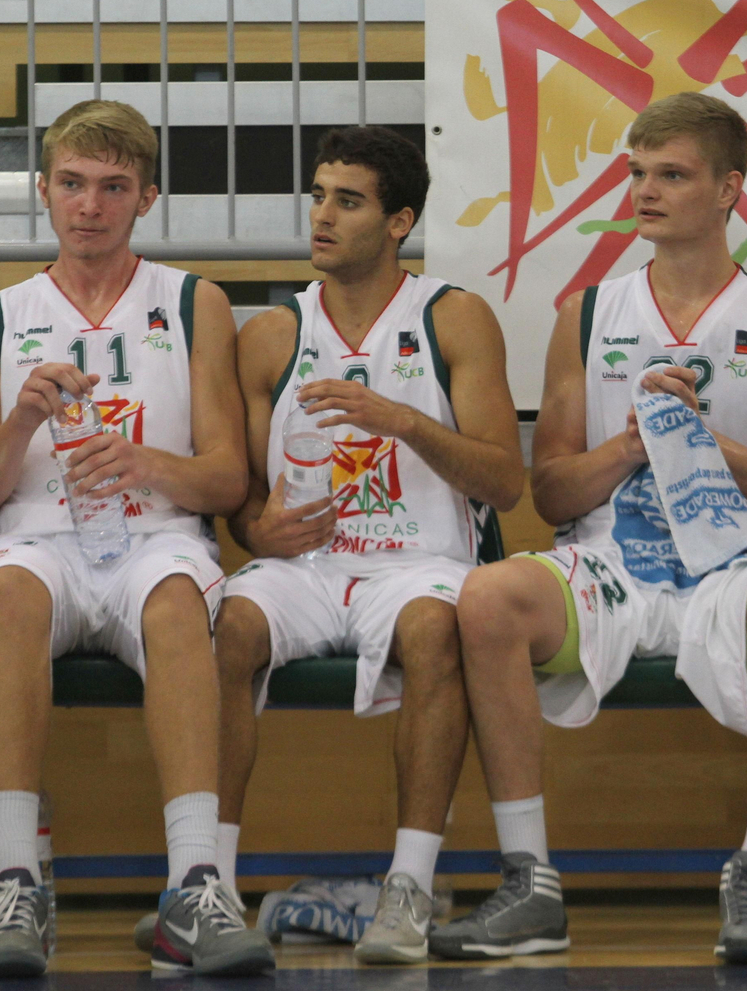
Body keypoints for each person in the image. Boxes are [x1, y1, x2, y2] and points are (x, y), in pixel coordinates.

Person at [432, 92, 747, 964]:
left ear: (730, 189)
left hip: (739, 563)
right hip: (616, 561)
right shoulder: (588, 315)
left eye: (672, 175)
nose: (646, 191)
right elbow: (549, 493)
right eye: (637, 173)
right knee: (488, 596)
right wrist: (630, 446)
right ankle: (529, 879)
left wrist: (708, 446)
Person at [0, 100, 265, 978]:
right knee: (9, 590)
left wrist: (145, 463)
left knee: (173, 601)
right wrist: (20, 420)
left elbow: (228, 480)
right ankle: (13, 885)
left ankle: (196, 886)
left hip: (155, 540)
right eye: (75, 185)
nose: (90, 205)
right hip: (36, 540)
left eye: (114, 187)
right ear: (45, 192)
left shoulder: (196, 301)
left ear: (147, 197)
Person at [215, 124, 524, 965]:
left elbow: (504, 481)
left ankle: (410, 886)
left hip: (422, 560)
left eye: (347, 201)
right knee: (227, 627)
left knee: (434, 631)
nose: (322, 215)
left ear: (400, 221)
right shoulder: (272, 336)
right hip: (309, 565)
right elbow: (239, 494)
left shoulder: (453, 318)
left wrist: (403, 420)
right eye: (317, 195)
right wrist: (253, 528)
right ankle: (206, 884)